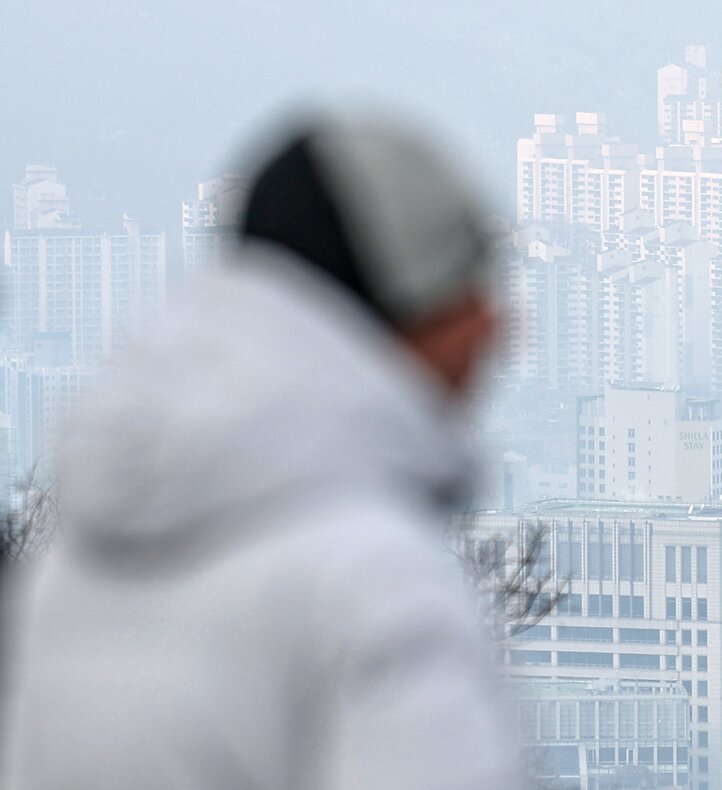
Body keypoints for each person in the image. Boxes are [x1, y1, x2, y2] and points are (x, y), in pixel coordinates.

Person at [0, 113, 521, 789]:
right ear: (399, 306)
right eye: (466, 288)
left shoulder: (67, 570)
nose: (498, 327)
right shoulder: (372, 583)